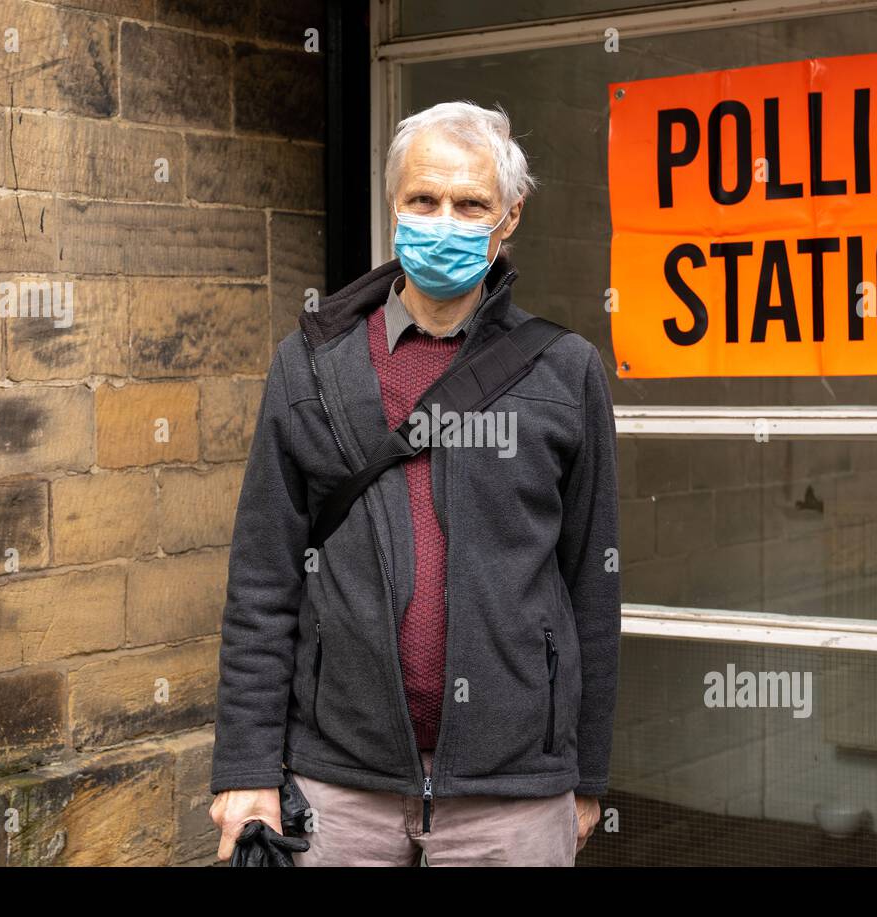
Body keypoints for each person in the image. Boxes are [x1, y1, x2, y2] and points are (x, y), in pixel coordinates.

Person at [209, 100, 620, 866]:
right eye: (423, 200)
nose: (445, 221)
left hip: (513, 791)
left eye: (471, 205)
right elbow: (264, 579)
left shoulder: (564, 373)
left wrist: (584, 775)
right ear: (392, 206)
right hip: (338, 783)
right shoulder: (311, 367)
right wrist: (246, 768)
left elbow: (592, 587)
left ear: (510, 220)